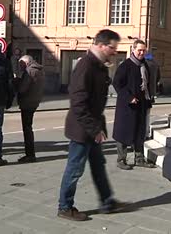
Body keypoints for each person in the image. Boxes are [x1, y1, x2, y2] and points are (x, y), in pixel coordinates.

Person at [58, 29, 127, 221]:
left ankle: (107, 201)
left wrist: (100, 128)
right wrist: (94, 129)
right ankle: (64, 207)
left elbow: (96, 101)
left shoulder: (98, 65)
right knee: (74, 169)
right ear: (101, 45)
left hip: (92, 127)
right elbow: (78, 103)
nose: (114, 51)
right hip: (81, 129)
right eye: (112, 48)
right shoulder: (86, 66)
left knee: (98, 166)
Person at [112, 39, 155, 170]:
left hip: (141, 104)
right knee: (124, 132)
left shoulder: (144, 65)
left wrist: (149, 100)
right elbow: (117, 83)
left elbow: (147, 84)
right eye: (139, 50)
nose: (141, 53)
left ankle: (139, 158)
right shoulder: (125, 65)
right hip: (127, 106)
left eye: (144, 50)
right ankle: (121, 159)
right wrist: (129, 97)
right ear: (133, 50)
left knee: (139, 132)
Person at [16, 55, 45, 163]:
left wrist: (17, 82)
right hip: (34, 101)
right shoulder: (39, 70)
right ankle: (30, 154)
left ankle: (30, 154)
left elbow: (23, 89)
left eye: (21, 64)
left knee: (27, 129)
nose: (20, 67)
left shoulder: (30, 71)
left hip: (27, 102)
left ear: (26, 62)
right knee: (28, 127)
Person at [144, 52, 161, 139]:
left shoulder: (142, 64)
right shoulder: (155, 64)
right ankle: (146, 133)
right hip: (151, 93)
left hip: (143, 92)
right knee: (147, 113)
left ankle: (141, 134)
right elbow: (158, 77)